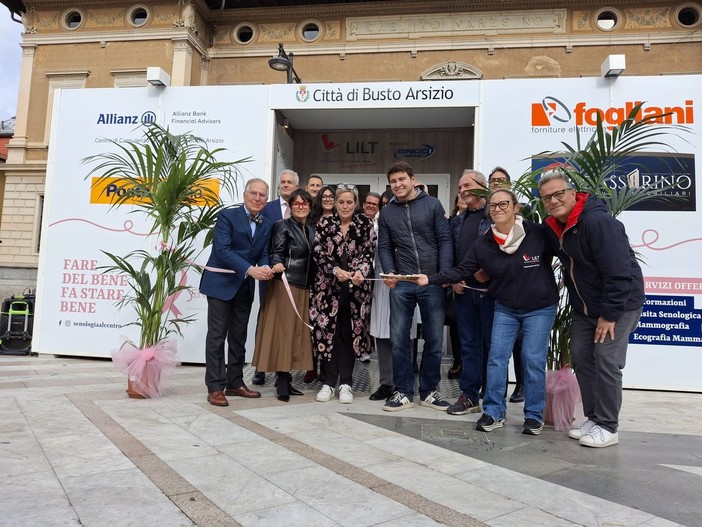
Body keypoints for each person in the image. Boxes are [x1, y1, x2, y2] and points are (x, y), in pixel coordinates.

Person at [418, 188, 558, 434]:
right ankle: (493, 412)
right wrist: (429, 279)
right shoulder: (484, 243)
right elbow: (461, 270)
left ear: (516, 207)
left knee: (532, 359)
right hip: (505, 307)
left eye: (504, 204)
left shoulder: (537, 232)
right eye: (493, 206)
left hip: (539, 308)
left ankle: (534, 415)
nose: (498, 209)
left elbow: (566, 254)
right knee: (496, 358)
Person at [539, 167, 644, 448]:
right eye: (547, 198)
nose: (553, 201)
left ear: (573, 193)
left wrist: (609, 315)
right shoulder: (556, 227)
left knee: (607, 360)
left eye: (559, 194)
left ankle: (609, 426)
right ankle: (595, 418)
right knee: (582, 356)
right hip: (585, 308)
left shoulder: (597, 223)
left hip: (618, 305)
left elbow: (620, 272)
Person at [378, 161, 452, 412]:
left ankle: (429, 391)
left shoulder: (432, 205)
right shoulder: (387, 213)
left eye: (401, 179)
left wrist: (441, 276)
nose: (397, 185)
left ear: (413, 179)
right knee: (399, 339)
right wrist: (390, 272)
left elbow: (444, 240)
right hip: (403, 283)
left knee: (433, 340)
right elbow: (385, 247)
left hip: (431, 281)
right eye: (393, 182)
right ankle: (403, 391)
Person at [200, 178, 274, 407]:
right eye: (254, 193)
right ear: (244, 195)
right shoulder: (227, 216)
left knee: (238, 338)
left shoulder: (267, 223)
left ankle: (234, 382)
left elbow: (262, 252)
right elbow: (222, 250)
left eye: (262, 195)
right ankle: (215, 387)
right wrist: (250, 269)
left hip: (245, 286)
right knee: (216, 337)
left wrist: (263, 267)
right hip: (220, 285)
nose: (258, 198)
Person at [311, 184, 375, 404]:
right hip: (328, 290)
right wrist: (335, 270)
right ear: (335, 203)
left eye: (349, 202)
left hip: (356, 292)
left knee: (349, 335)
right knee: (329, 335)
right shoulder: (324, 223)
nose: (345, 206)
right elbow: (318, 252)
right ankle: (328, 383)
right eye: (341, 202)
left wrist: (360, 272)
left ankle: (346, 383)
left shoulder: (366, 224)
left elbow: (369, 253)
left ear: (355, 204)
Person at [252, 189, 315, 401]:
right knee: (283, 333)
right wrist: (276, 262)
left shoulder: (311, 230)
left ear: (309, 206)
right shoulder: (282, 225)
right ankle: (281, 382)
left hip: (304, 287)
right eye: (296, 203)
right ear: (290, 206)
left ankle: (287, 378)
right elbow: (276, 250)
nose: (300, 206)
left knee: (296, 334)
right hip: (285, 286)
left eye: (304, 203)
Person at [444, 169, 494, 417]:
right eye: (460, 187)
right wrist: (453, 279)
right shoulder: (457, 222)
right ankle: (470, 396)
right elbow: (452, 256)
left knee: (494, 348)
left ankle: (494, 400)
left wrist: (491, 272)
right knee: (469, 346)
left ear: (482, 186)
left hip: (490, 293)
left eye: (466, 186)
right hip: (463, 293)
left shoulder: (495, 215)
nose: (462, 190)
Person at [254, 169, 300, 385]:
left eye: (290, 182)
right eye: (282, 182)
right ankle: (260, 368)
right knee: (265, 318)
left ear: (296, 185)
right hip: (271, 273)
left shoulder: (303, 207)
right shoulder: (268, 207)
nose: (285, 185)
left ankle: (285, 368)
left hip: (296, 276)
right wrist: (266, 265)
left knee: (288, 322)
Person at [489, 166, 524, 403]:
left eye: (502, 180)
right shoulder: (487, 216)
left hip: (522, 294)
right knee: (496, 352)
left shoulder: (526, 221)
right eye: (493, 181)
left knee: (523, 348)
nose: (497, 184)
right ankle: (493, 402)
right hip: (492, 291)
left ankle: (522, 387)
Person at [446, 194, 467, 380]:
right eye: (458, 194)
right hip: (452, 281)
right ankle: (458, 360)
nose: (462, 196)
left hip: (473, 280)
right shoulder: (450, 222)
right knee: (454, 322)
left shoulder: (480, 220)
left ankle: (469, 364)